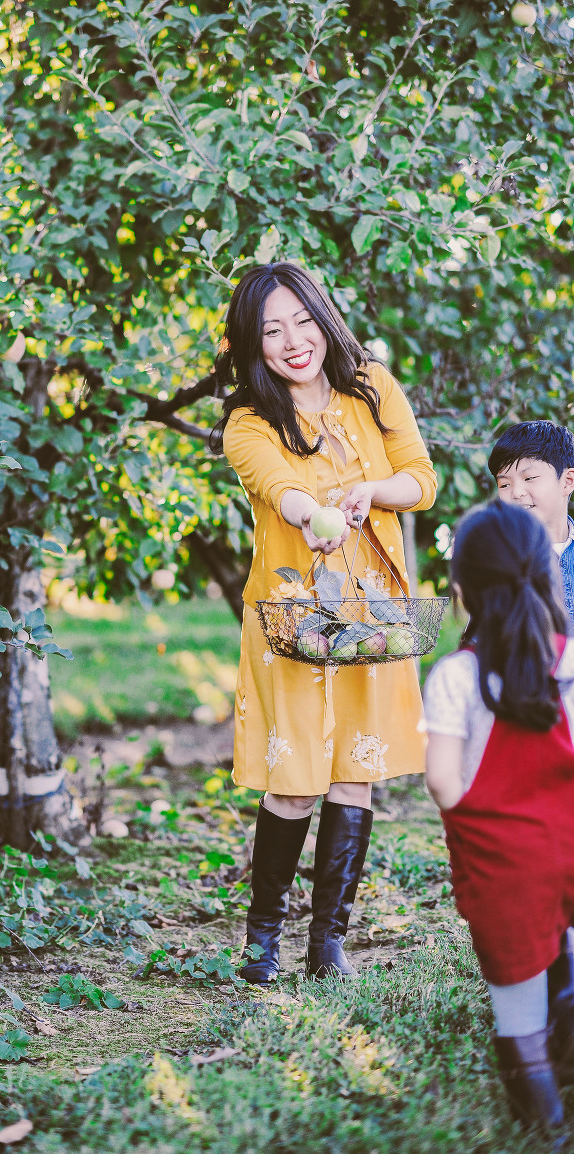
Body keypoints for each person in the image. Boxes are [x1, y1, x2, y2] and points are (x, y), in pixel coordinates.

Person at [210, 261, 437, 984]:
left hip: (373, 613)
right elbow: (279, 490)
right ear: (253, 344)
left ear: (323, 317)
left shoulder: (371, 386)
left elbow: (421, 482)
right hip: (293, 617)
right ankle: (262, 938)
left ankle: (327, 944)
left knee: (356, 773)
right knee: (296, 781)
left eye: (302, 320)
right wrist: (316, 515)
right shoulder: (248, 421)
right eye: (271, 330)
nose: (292, 340)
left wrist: (371, 489)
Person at [424, 501, 574, 1137]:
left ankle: (537, 1095)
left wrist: (477, 813)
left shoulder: (456, 677)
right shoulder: (568, 660)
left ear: (461, 593)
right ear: (547, 579)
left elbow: (444, 785)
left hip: (505, 866)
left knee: (516, 975)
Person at [489, 420, 574, 622]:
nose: (517, 493)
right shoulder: (496, 558)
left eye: (529, 478)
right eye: (504, 484)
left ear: (567, 481)